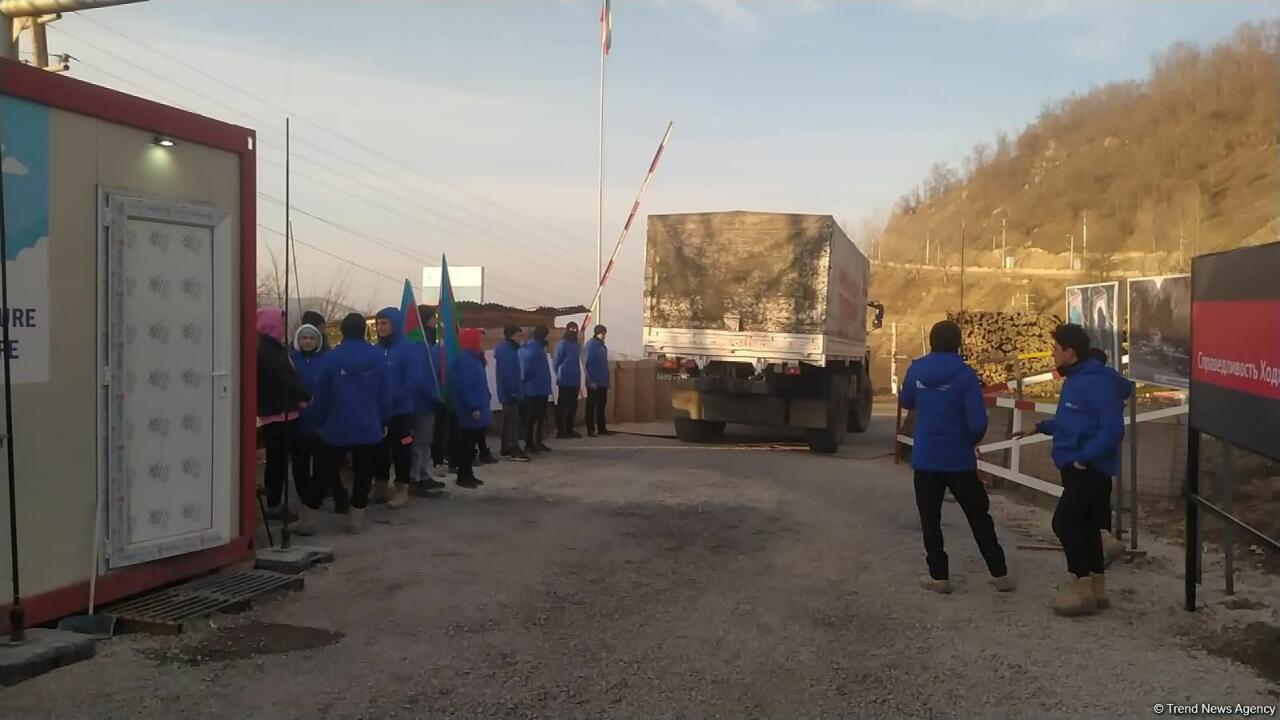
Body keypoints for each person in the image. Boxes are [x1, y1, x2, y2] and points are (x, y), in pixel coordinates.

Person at [900, 320, 1012, 595]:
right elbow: (977, 422)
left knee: (930, 519)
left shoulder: (916, 370)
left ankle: (939, 576)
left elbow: (906, 401)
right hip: (959, 458)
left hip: (926, 458)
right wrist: (969, 441)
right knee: (978, 516)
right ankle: (999, 573)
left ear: (932, 341)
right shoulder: (965, 375)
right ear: (958, 343)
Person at [1034, 324, 1126, 616]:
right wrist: (1042, 427)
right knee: (1087, 526)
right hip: (1077, 465)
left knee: (1064, 523)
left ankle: (1080, 590)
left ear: (1070, 352)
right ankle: (1097, 590)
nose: (1052, 353)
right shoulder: (1076, 379)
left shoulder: (1095, 383)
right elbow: (1074, 420)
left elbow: (1112, 429)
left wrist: (1084, 459)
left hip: (1087, 468)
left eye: (1056, 348)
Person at [311, 313, 393, 534]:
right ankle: (356, 517)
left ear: (343, 331)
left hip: (336, 424)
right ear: (364, 330)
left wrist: (318, 420)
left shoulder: (331, 358)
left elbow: (321, 394)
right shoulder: (377, 357)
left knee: (324, 469)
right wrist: (384, 419)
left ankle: (309, 517)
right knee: (364, 471)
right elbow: (385, 393)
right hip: (368, 424)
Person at [256, 306, 314, 534]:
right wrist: (305, 395)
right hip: (278, 413)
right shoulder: (269, 350)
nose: (283, 326)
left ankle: (275, 502)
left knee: (278, 460)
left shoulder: (268, 347)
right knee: (279, 461)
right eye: (280, 322)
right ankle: (274, 504)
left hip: (278, 410)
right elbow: (286, 378)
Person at [291, 321, 347, 515]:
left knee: (326, 464)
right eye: (304, 338)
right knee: (299, 464)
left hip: (322, 419)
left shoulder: (326, 360)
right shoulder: (291, 360)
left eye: (311, 338)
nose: (307, 341)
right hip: (297, 419)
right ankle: (306, 498)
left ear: (318, 341)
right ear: (298, 340)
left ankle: (336, 496)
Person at [372, 307, 418, 509]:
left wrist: (395, 396)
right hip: (379, 411)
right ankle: (380, 486)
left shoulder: (407, 349)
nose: (380, 327)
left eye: (384, 323)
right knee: (379, 449)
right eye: (378, 323)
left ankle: (401, 488)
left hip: (401, 411)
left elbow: (414, 379)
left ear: (395, 324)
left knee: (401, 450)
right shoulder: (375, 350)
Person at [409, 305, 448, 497]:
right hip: (421, 401)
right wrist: (435, 395)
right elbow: (421, 376)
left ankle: (423, 474)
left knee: (425, 440)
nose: (436, 321)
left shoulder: (430, 341)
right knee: (419, 440)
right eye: (433, 317)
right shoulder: (419, 344)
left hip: (427, 400)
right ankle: (415, 477)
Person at [451, 328, 492, 489]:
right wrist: (474, 406)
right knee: (467, 444)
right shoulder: (466, 362)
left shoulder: (472, 360)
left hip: (477, 406)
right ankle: (463, 475)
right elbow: (465, 387)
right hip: (470, 409)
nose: (481, 345)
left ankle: (468, 473)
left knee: (470, 443)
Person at [494, 324, 529, 461]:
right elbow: (508, 373)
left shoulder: (508, 349)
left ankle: (506, 447)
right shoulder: (507, 351)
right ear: (512, 336)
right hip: (509, 392)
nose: (521, 338)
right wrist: (512, 391)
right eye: (519, 335)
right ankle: (514, 448)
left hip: (509, 391)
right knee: (512, 421)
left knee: (508, 419)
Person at [519, 325, 554, 455]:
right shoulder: (533, 349)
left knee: (539, 417)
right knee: (532, 418)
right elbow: (527, 370)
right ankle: (529, 444)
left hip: (541, 388)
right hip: (534, 389)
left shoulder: (536, 348)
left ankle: (537, 441)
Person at [553, 322, 583, 439]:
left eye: (575, 330)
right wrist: (560, 373)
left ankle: (570, 429)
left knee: (572, 407)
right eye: (571, 329)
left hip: (575, 380)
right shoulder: (562, 344)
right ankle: (561, 431)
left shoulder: (577, 345)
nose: (573, 332)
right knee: (563, 407)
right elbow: (556, 363)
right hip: (564, 381)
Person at [584, 324, 612, 437]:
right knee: (591, 406)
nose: (604, 336)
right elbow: (588, 364)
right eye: (602, 333)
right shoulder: (591, 345)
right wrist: (591, 380)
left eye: (605, 333)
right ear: (597, 333)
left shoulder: (602, 347)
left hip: (602, 381)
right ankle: (590, 429)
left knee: (601, 405)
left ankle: (602, 428)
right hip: (594, 381)